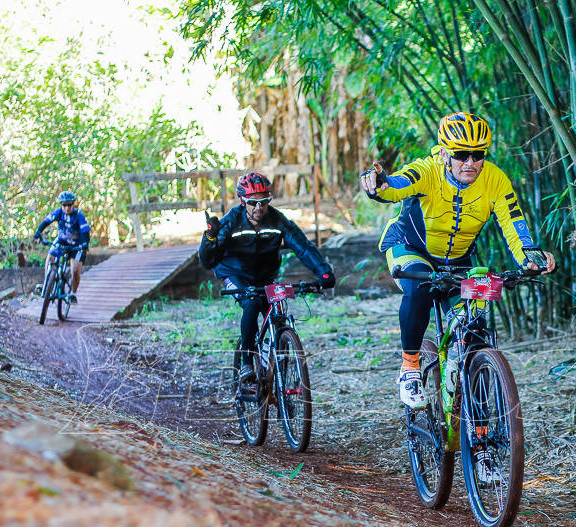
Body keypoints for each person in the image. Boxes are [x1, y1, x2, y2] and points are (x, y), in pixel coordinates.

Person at [361, 111, 556, 409]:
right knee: (419, 291)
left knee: (475, 328)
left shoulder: (495, 180)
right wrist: (380, 183)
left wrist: (530, 257)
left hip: (459, 259)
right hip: (411, 249)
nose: (470, 162)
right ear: (444, 154)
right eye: (461, 154)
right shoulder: (427, 170)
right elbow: (399, 183)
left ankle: (478, 432)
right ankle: (410, 366)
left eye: (478, 154)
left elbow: (514, 223)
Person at [199, 172, 335, 383]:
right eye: (252, 203)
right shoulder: (232, 220)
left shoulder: (277, 219)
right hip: (234, 273)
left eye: (264, 202)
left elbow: (303, 247)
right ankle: (246, 363)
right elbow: (208, 261)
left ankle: (274, 366)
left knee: (276, 310)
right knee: (252, 303)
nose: (258, 208)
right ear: (242, 200)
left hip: (264, 276)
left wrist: (323, 272)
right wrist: (210, 238)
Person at [33, 190, 91, 303]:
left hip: (77, 245)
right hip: (62, 241)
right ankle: (47, 283)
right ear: (61, 205)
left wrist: (85, 244)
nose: (67, 208)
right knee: (50, 257)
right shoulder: (58, 212)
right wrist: (38, 233)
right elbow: (46, 222)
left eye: (69, 205)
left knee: (75, 270)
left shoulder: (78, 215)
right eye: (64, 205)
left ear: (73, 204)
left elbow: (85, 232)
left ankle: (73, 294)